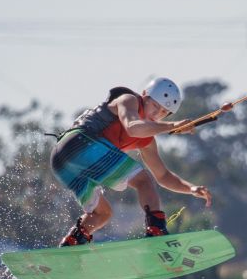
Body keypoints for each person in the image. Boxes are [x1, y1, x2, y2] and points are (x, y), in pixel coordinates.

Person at [51, 78, 212, 247]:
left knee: (102, 214)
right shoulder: (129, 100)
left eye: (164, 112)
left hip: (62, 163)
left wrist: (191, 189)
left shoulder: (147, 141)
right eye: (155, 106)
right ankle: (156, 232)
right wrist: (171, 125)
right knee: (143, 180)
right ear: (144, 96)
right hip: (81, 142)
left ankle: (71, 243)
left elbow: (163, 175)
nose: (157, 114)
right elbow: (133, 126)